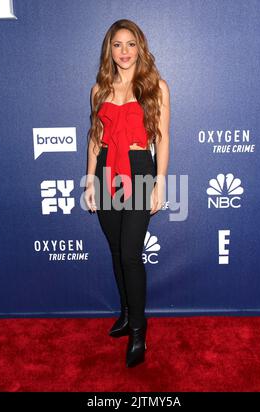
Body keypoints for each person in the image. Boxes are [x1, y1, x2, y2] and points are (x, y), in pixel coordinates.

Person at [84, 19, 170, 368]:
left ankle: (138, 330)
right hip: (106, 170)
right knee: (117, 249)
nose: (124, 51)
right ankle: (124, 312)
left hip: (138, 170)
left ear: (140, 47)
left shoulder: (156, 87)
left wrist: (160, 182)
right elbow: (94, 138)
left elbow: (162, 138)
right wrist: (89, 180)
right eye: (117, 44)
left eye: (130, 44)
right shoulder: (98, 90)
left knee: (131, 253)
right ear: (110, 50)